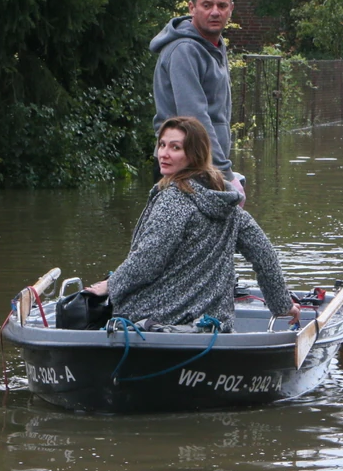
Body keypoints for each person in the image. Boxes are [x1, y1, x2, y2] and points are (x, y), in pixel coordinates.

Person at [86, 116, 299, 332]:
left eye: (175, 147)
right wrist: (282, 306)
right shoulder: (227, 204)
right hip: (212, 323)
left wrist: (111, 286)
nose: (164, 154)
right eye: (162, 145)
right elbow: (264, 255)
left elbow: (148, 259)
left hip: (155, 318)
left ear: (194, 154)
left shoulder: (173, 199)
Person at [150, 0, 245, 198]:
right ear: (192, 7)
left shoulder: (213, 46)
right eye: (207, 5)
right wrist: (225, 174)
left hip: (204, 167)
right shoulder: (185, 50)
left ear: (231, 9)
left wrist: (221, 169)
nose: (215, 12)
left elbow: (215, 114)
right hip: (184, 169)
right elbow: (195, 118)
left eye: (222, 5)